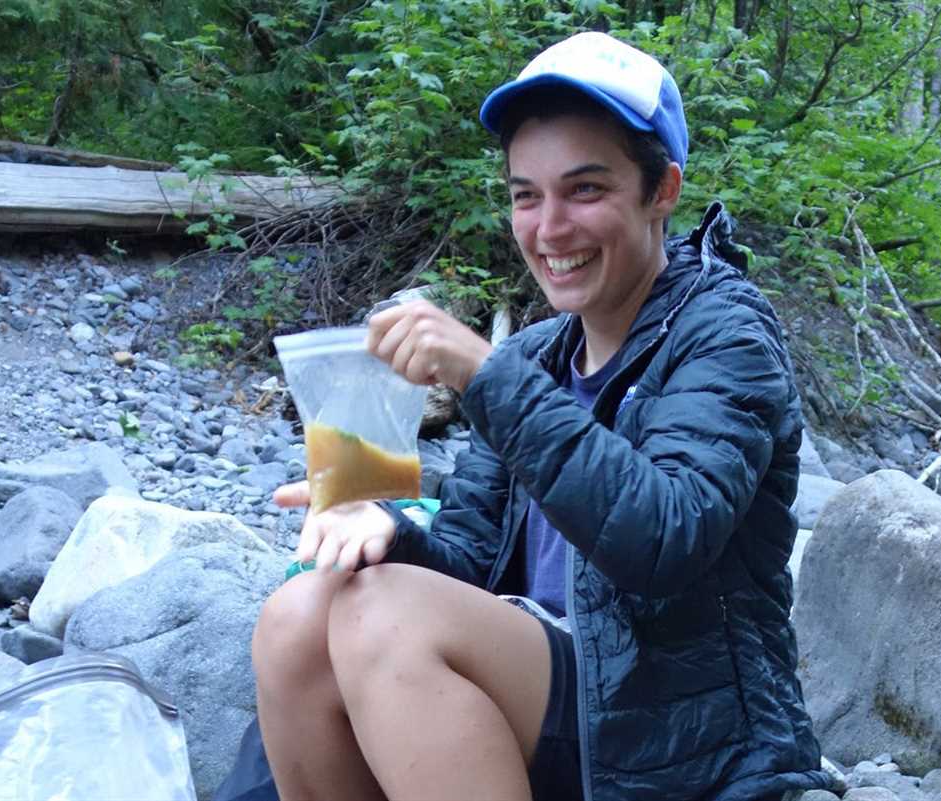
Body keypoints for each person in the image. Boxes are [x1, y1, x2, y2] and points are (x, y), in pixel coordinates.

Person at [251, 31, 830, 801]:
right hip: (547, 704)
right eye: (527, 195)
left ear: (663, 190)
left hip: (684, 744)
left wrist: (485, 376)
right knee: (299, 611)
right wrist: (392, 530)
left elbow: (665, 536)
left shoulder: (725, 333)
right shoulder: (536, 359)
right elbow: (470, 558)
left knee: (387, 616)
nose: (549, 228)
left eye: (584, 190)